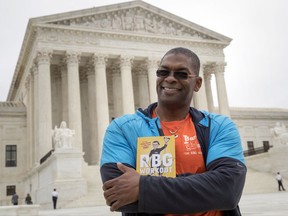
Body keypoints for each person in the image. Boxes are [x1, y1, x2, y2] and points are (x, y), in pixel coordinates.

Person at [100, 47, 247, 215]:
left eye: (181, 74)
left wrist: (143, 186)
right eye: (163, 72)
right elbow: (117, 196)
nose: (170, 79)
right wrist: (205, 186)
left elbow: (227, 190)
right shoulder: (122, 128)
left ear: (197, 83)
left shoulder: (218, 126)